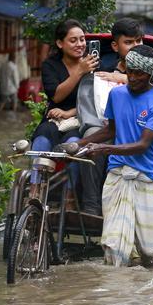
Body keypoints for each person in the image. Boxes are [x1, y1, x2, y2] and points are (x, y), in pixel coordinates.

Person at [71, 46, 153, 267]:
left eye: (140, 74)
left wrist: (103, 150)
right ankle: (115, 297)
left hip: (146, 177)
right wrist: (77, 144)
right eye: (130, 71)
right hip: (117, 175)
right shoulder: (116, 94)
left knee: (149, 253)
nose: (133, 78)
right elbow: (110, 131)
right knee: (114, 247)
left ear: (150, 75)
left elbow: (143, 145)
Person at [30, 20, 98, 197]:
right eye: (73, 40)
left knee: (73, 144)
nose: (80, 44)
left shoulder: (93, 64)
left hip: (82, 119)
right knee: (42, 138)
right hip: (54, 118)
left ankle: (69, 195)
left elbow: (97, 100)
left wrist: (69, 112)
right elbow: (56, 96)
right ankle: (35, 190)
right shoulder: (50, 65)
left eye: (82, 39)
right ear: (60, 44)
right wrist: (79, 72)